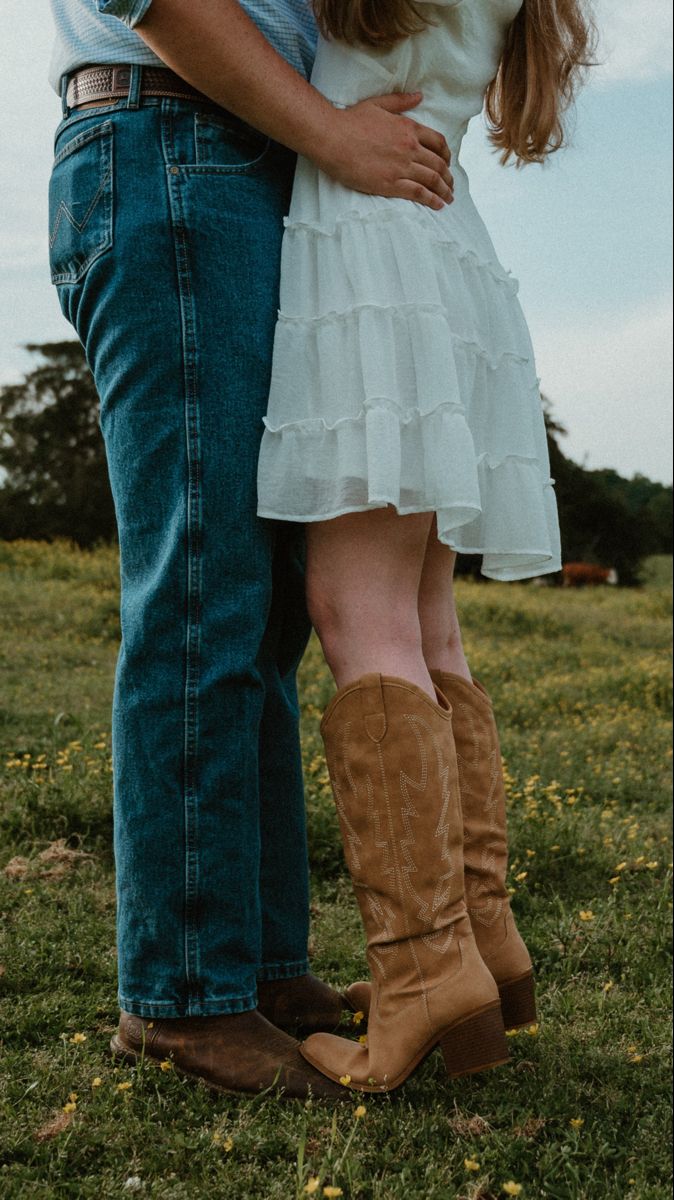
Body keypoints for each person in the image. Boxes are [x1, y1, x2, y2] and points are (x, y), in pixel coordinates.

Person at [46, 0, 458, 1101]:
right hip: (170, 141)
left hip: (242, 155)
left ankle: (261, 969)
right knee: (202, 588)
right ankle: (182, 997)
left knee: (268, 605)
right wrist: (330, 133)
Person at [257, 0, 595, 1092]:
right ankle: (479, 939)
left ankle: (419, 971)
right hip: (448, 244)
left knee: (358, 616)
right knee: (424, 618)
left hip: (368, 240)